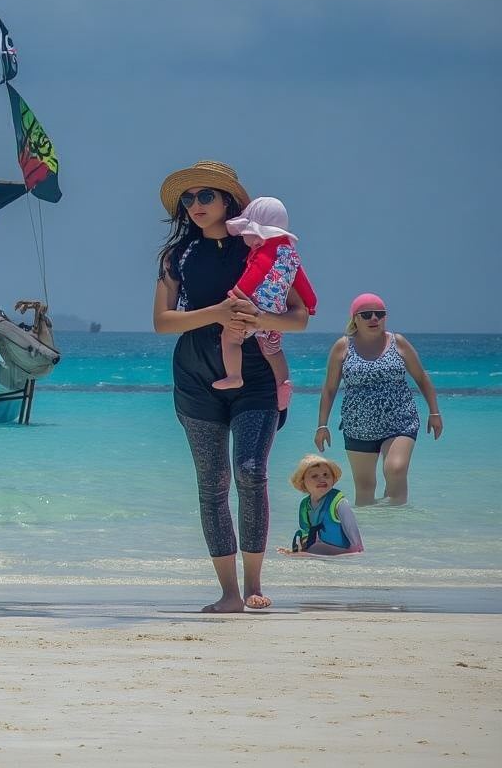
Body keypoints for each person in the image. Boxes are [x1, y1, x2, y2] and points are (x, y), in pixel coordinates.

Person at [153, 161, 310, 613]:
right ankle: (228, 593)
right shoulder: (176, 256)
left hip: (257, 378)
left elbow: (299, 316)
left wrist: (259, 320)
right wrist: (218, 313)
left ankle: (255, 584)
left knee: (249, 472)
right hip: (194, 378)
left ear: (228, 201)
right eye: (189, 198)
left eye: (206, 196)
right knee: (212, 483)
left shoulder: (263, 246)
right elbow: (163, 322)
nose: (196, 205)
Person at [314, 294, 442, 506]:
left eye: (380, 314)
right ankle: (374, 535)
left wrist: (434, 412)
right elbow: (329, 389)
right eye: (366, 314)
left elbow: (421, 377)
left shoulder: (397, 342)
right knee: (365, 488)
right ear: (355, 319)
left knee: (395, 468)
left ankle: (397, 527)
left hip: (400, 421)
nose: (374, 318)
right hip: (358, 426)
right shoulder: (343, 346)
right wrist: (322, 425)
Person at [213, 197, 317, 409]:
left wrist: (236, 294)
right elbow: (301, 281)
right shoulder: (289, 252)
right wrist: (311, 302)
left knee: (230, 337)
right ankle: (283, 383)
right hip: (277, 311)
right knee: (271, 348)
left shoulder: (266, 250)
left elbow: (255, 274)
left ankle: (234, 375)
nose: (243, 236)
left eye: (246, 232)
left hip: (255, 304)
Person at [276, 454, 364, 556]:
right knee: (299, 537)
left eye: (326, 475)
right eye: (314, 476)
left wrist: (352, 554)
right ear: (303, 482)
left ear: (333, 479)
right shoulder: (305, 505)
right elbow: (306, 532)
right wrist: (298, 550)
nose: (322, 479)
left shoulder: (339, 503)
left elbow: (357, 545)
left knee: (311, 550)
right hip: (320, 551)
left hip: (342, 553)